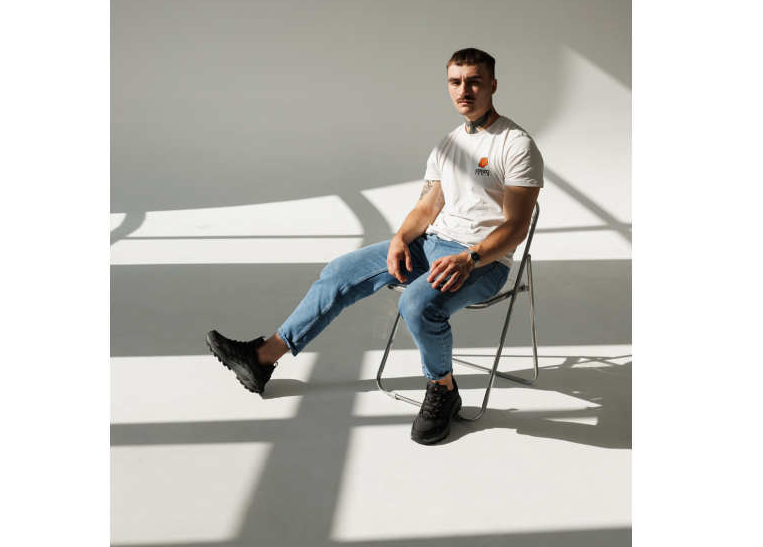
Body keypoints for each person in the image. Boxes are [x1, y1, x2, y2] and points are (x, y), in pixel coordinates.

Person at [207, 47, 543, 444]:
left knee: (416, 304)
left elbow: (516, 227)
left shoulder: (515, 144)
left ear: (492, 85)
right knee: (340, 272)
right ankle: (262, 359)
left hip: (482, 261)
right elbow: (427, 207)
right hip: (432, 245)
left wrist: (469, 258)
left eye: (474, 81)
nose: (463, 90)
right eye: (455, 82)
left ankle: (443, 390)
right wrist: (400, 239)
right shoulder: (447, 145)